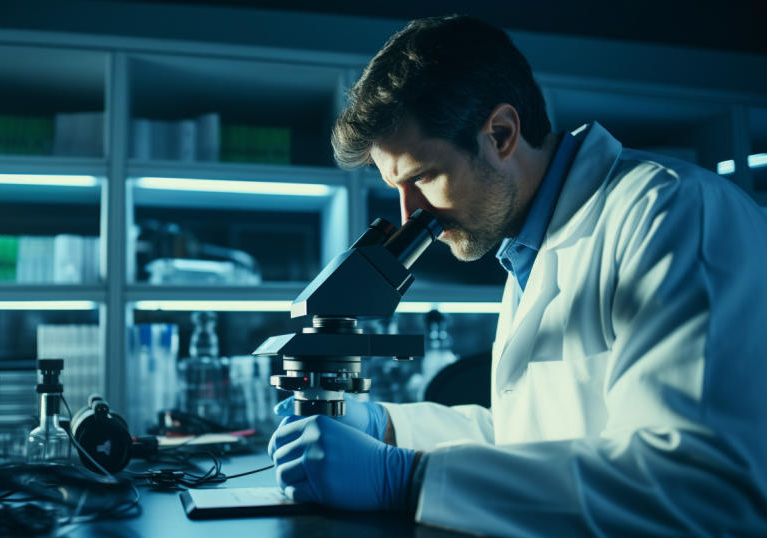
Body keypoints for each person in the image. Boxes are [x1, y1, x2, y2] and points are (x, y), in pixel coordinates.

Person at [267, 15, 767, 535]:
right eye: (397, 186)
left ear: (501, 134)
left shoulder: (676, 213)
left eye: (423, 177)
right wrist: (388, 428)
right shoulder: (528, 247)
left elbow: (702, 489)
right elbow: (531, 442)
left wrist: (408, 480)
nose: (411, 214)